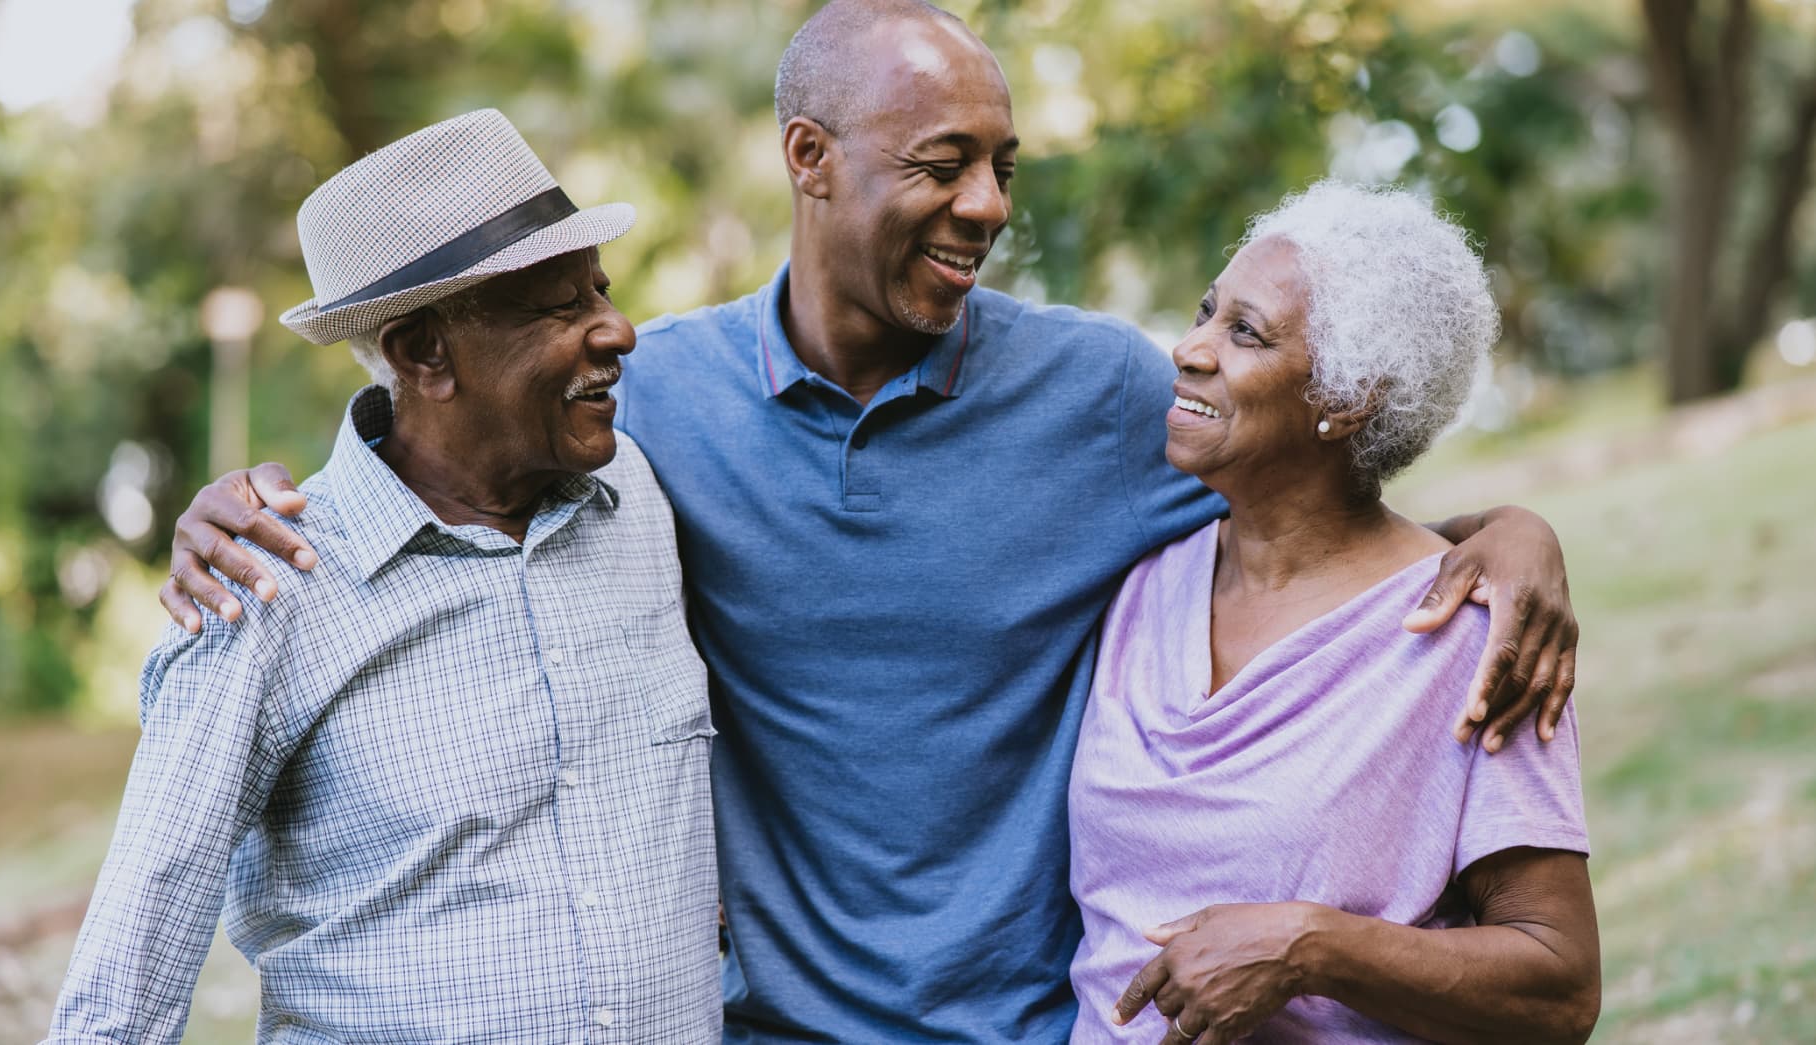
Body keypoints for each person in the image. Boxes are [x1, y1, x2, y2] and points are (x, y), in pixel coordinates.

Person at [158, 3, 1583, 1040]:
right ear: (809, 155)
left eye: (1003, 168)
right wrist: (230, 511)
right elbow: (439, 459)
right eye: (941, 162)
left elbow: (1315, 497)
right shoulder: (650, 405)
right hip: (763, 1030)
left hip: (1040, 1024)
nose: (983, 206)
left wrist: (1511, 530)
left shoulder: (1094, 390)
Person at [47, 110, 720, 1043]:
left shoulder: (637, 496)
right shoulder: (264, 584)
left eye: (600, 289)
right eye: (560, 306)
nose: (619, 329)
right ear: (423, 354)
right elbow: (129, 964)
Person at [1075, 182, 1598, 1043]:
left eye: (1245, 332)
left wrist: (1309, 945)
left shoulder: (1472, 629)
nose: (1190, 347)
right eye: (1208, 311)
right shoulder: (1141, 589)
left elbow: (1561, 987)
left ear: (1349, 401)